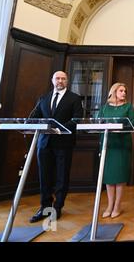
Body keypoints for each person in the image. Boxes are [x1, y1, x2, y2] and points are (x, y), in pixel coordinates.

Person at [29, 71, 83, 222]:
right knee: (44, 176)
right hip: (44, 143)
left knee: (61, 176)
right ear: (52, 80)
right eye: (57, 78)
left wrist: (60, 129)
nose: (60, 81)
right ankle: (44, 208)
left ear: (67, 81)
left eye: (63, 78)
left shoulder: (74, 98)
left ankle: (57, 207)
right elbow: (34, 117)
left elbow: (77, 119)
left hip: (64, 143)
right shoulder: (43, 98)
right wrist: (33, 123)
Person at [98, 83, 134, 219]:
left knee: (119, 177)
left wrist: (117, 126)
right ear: (113, 91)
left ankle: (117, 205)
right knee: (109, 177)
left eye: (125, 91)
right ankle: (109, 205)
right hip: (108, 145)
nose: (124, 93)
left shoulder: (128, 107)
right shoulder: (104, 108)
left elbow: (132, 124)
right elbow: (98, 123)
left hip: (121, 145)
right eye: (121, 90)